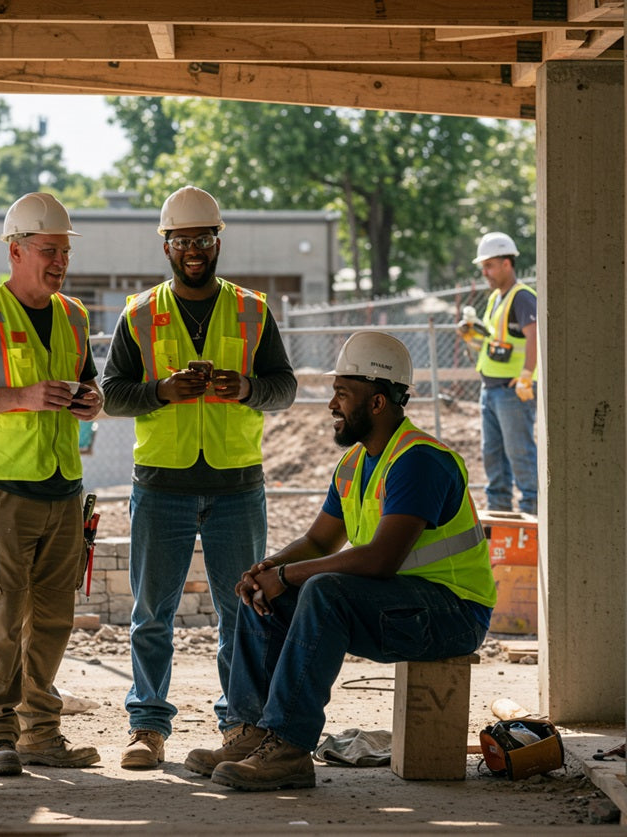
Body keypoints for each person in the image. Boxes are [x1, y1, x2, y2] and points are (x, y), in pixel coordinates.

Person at [183, 331, 497, 791]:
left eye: (342, 394)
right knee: (267, 590)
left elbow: (381, 560)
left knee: (321, 591)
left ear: (376, 403)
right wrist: (268, 569)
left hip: (452, 613)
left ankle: (290, 748)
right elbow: (317, 541)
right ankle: (250, 732)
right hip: (399, 606)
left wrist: (288, 575)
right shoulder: (354, 463)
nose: (331, 404)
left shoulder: (420, 460)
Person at [101, 185, 297, 769]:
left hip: (237, 485)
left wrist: (246, 388)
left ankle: (239, 724)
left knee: (239, 611)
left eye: (203, 239)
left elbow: (283, 387)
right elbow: (112, 395)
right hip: (161, 484)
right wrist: (161, 391)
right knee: (151, 614)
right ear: (166, 245)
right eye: (182, 240)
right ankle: (147, 726)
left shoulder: (252, 310)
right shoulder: (139, 314)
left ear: (218, 242)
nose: (193, 249)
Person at [0, 192, 103, 777]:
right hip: (4, 489)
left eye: (64, 251)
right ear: (16, 250)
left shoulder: (76, 317)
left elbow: (89, 388)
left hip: (62, 488)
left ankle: (40, 732)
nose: (60, 261)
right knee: (2, 614)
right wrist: (22, 398)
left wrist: (92, 402)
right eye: (49, 250)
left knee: (53, 618)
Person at [462, 231, 538, 515]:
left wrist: (527, 374)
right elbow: (495, 342)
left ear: (507, 263)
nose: (485, 272)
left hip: (512, 389)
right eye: (483, 267)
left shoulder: (522, 297)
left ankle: (532, 513)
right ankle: (500, 514)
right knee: (493, 456)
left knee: (520, 455)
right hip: (491, 389)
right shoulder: (496, 298)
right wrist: (472, 336)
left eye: (490, 265)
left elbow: (534, 337)